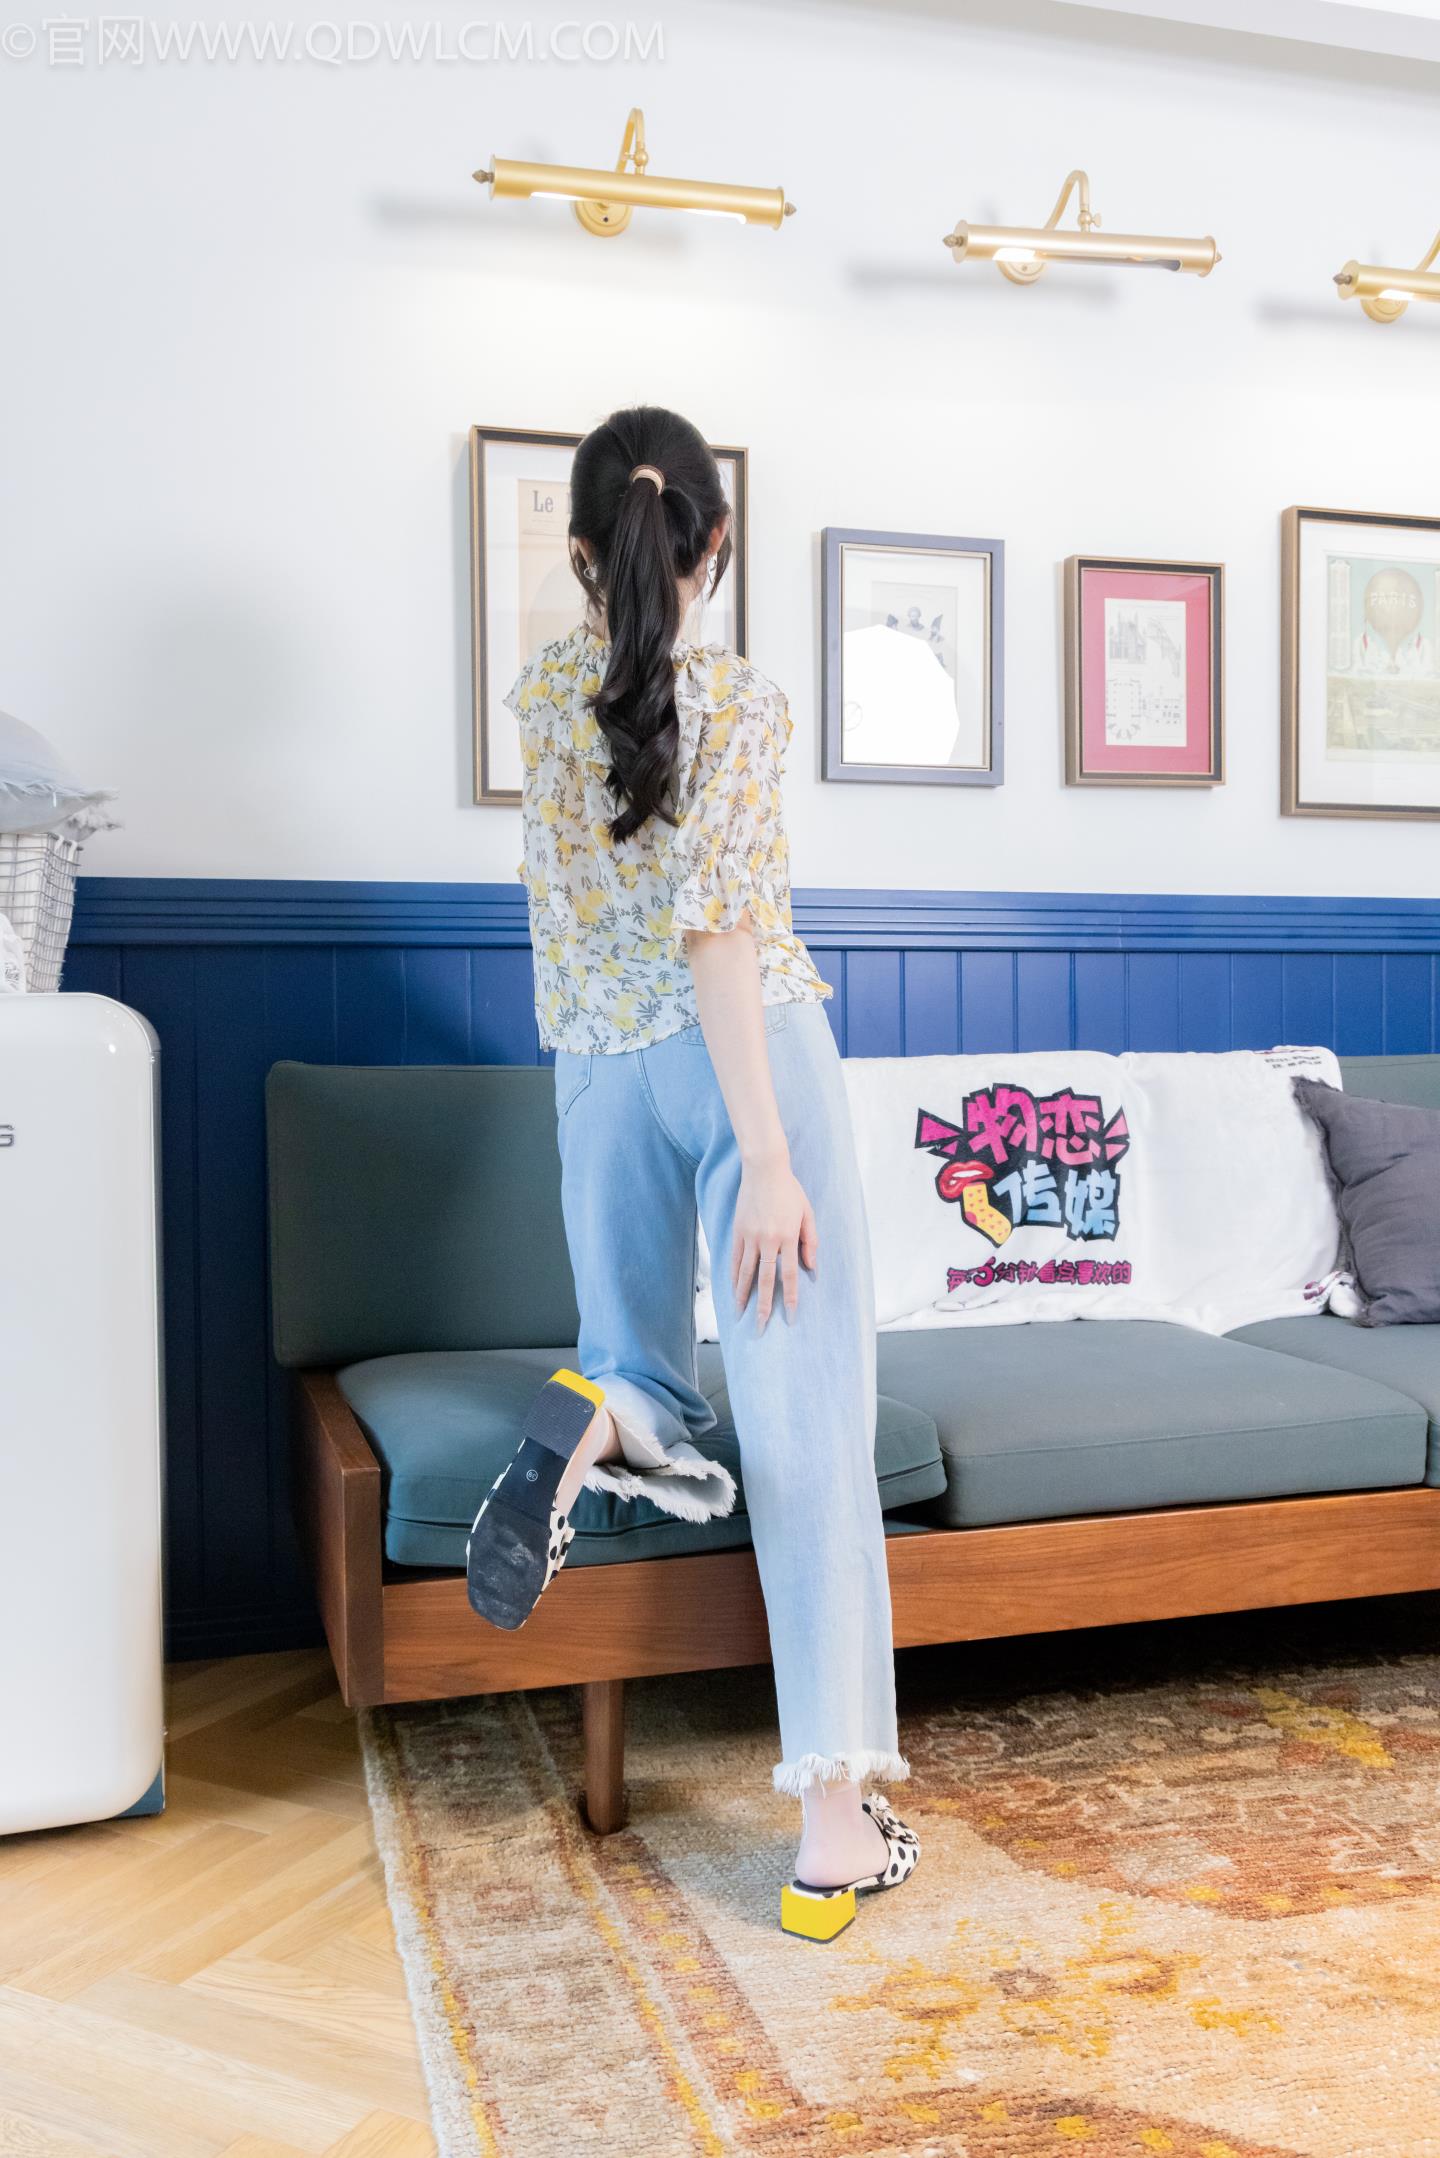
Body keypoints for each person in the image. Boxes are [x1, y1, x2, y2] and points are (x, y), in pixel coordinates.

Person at [464, 405, 918, 1940]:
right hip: (745, 1064)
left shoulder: (540, 697)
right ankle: (835, 1831)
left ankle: (584, 1427)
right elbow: (721, 928)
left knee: (634, 1363)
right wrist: (769, 1154)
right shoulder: (738, 701)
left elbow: (581, 907)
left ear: (581, 553)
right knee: (805, 1424)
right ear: (714, 543)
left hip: (595, 1071)